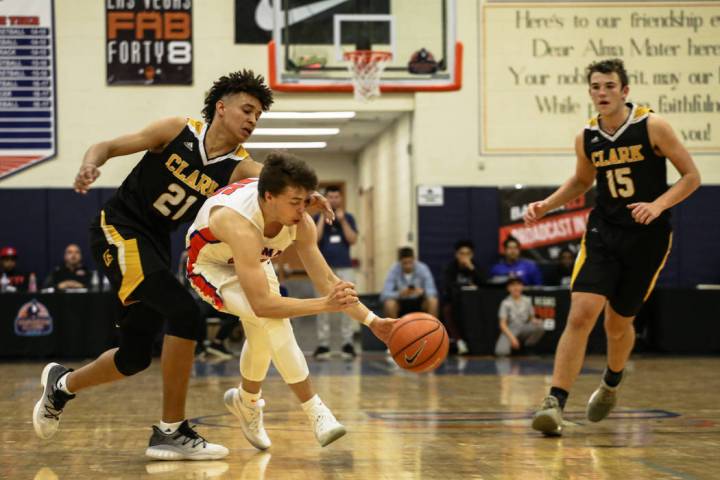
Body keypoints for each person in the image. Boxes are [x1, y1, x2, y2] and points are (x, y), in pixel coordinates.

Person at [32, 70, 331, 460]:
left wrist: (312, 197)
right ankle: (170, 430)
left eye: (258, 115)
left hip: (155, 245)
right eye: (247, 110)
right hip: (119, 228)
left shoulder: (240, 165)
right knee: (185, 313)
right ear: (220, 108)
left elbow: (282, 186)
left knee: (134, 357)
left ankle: (62, 385)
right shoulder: (177, 130)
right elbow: (107, 145)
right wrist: (91, 165)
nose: (252, 120)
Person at [526, 59, 701, 436]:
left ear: (625, 91)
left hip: (648, 237)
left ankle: (611, 382)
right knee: (580, 314)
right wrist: (546, 206)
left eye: (609, 86)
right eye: (595, 86)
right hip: (603, 232)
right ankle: (554, 402)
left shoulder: (653, 126)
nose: (602, 93)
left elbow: (692, 177)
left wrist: (658, 205)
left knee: (617, 324)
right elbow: (581, 181)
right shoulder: (586, 136)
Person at [185, 152, 395, 449]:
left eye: (305, 200)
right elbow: (263, 305)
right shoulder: (239, 224)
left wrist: (373, 322)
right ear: (269, 197)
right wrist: (324, 304)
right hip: (211, 266)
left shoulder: (300, 221)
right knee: (270, 318)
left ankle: (247, 402)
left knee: (261, 335)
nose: (302, 209)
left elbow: (327, 281)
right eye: (295, 202)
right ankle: (315, 411)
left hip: (253, 261)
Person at [312, 185, 359, 361]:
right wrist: (323, 219)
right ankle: (323, 344)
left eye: (336, 197)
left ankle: (347, 343)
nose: (333, 200)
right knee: (322, 304)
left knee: (349, 303)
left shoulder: (348, 218)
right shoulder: (317, 218)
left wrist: (343, 221)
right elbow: (314, 239)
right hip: (323, 269)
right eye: (330, 197)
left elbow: (352, 240)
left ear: (340, 199)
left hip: (344, 267)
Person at [177, 250, 241, 360]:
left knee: (236, 312)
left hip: (212, 298)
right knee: (198, 311)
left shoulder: (215, 255)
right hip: (196, 298)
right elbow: (184, 281)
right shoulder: (187, 256)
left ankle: (217, 343)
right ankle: (199, 346)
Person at [442, 240, 485, 355]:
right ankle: (459, 341)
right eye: (462, 253)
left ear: (472, 255)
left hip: (474, 303)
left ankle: (477, 342)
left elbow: (484, 283)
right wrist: (464, 287)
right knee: (447, 310)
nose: (464, 257)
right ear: (457, 254)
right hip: (455, 301)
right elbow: (448, 286)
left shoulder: (475, 266)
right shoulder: (451, 268)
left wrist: (471, 268)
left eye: (467, 254)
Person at [381, 247, 439, 319]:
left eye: (410, 262)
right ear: (400, 262)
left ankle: (433, 328)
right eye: (405, 263)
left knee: (433, 301)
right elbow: (384, 294)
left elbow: (432, 291)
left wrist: (422, 292)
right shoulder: (394, 270)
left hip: (419, 301)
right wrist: (400, 294)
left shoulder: (423, 268)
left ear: (414, 260)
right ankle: (394, 329)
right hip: (401, 302)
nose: (408, 266)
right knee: (389, 304)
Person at [494, 278, 544, 356]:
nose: (516, 288)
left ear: (522, 286)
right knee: (501, 352)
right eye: (513, 285)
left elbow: (531, 317)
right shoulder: (505, 303)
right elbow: (502, 324)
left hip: (524, 327)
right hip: (511, 329)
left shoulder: (527, 300)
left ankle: (528, 346)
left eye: (518, 285)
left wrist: (535, 321)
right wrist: (512, 338)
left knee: (540, 326)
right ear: (508, 288)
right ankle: (512, 347)